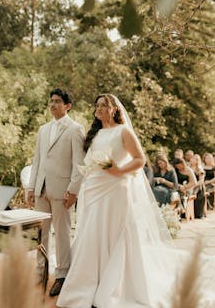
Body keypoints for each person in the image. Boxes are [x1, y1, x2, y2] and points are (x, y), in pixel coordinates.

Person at [56, 94, 215, 308]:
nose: (99, 109)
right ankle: (88, 283)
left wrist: (118, 170)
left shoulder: (124, 131)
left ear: (114, 109)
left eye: (104, 106)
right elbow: (88, 161)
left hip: (115, 189)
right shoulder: (96, 133)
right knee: (92, 233)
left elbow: (140, 160)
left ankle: (113, 287)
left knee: (114, 234)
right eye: (97, 106)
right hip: (95, 189)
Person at [27, 88, 85, 297]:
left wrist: (73, 191)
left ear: (68, 105)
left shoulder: (76, 129)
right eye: (51, 101)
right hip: (42, 189)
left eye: (58, 101)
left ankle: (61, 275)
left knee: (62, 234)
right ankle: (40, 270)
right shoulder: (43, 129)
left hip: (63, 192)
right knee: (40, 233)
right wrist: (31, 187)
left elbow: (79, 165)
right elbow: (37, 161)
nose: (53, 105)